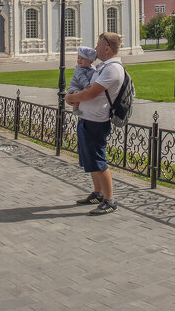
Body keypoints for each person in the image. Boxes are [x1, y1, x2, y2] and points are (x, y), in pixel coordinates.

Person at [65, 32, 126, 216]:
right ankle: (98, 193)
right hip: (88, 118)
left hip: (97, 121)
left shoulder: (112, 69)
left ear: (107, 48)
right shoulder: (102, 67)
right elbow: (88, 87)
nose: (95, 48)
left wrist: (70, 97)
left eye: (98, 45)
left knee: (99, 161)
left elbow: (92, 93)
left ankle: (109, 200)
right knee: (91, 160)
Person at [67, 46, 98, 114]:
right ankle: (75, 108)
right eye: (78, 58)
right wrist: (87, 85)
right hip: (74, 87)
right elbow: (81, 78)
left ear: (90, 61)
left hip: (82, 87)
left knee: (83, 94)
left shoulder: (92, 68)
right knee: (77, 95)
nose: (79, 60)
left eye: (82, 58)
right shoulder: (79, 69)